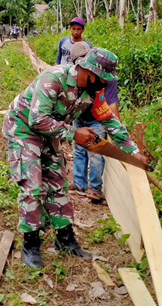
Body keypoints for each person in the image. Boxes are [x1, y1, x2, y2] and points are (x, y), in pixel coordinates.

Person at [3, 47, 148, 268]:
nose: (104, 84)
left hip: (50, 131)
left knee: (57, 183)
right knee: (33, 186)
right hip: (24, 129)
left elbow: (109, 121)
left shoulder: (93, 93)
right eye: (102, 79)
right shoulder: (54, 79)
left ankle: (65, 239)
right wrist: (73, 133)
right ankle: (30, 244)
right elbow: (36, 119)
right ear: (89, 71)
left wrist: (133, 152)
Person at [69, 42, 120, 203]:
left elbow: (112, 105)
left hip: (97, 120)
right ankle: (79, 184)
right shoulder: (76, 75)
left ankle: (96, 189)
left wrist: (117, 133)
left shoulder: (107, 79)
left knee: (96, 153)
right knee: (78, 150)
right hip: (79, 117)